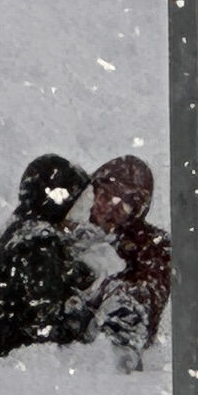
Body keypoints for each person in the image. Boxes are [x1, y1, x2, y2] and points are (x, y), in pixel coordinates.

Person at [0, 155, 93, 362]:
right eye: (80, 203)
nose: (84, 213)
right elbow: (45, 323)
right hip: (18, 366)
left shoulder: (22, 227)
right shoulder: (39, 242)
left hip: (0, 358)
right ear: (60, 202)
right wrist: (87, 315)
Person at [80, 157, 171, 369]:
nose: (110, 209)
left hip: (107, 358)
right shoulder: (68, 231)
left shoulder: (151, 246)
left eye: (125, 204)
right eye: (105, 196)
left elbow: (144, 298)